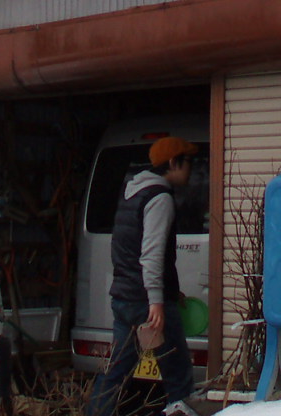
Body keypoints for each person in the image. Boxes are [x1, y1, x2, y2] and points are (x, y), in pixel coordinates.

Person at [86, 134, 200, 416]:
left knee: (118, 369)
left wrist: (170, 289)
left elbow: (127, 248)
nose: (192, 170)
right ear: (173, 163)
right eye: (189, 163)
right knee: (177, 371)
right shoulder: (159, 198)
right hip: (144, 303)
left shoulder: (132, 192)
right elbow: (151, 254)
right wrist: (157, 300)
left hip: (124, 297)